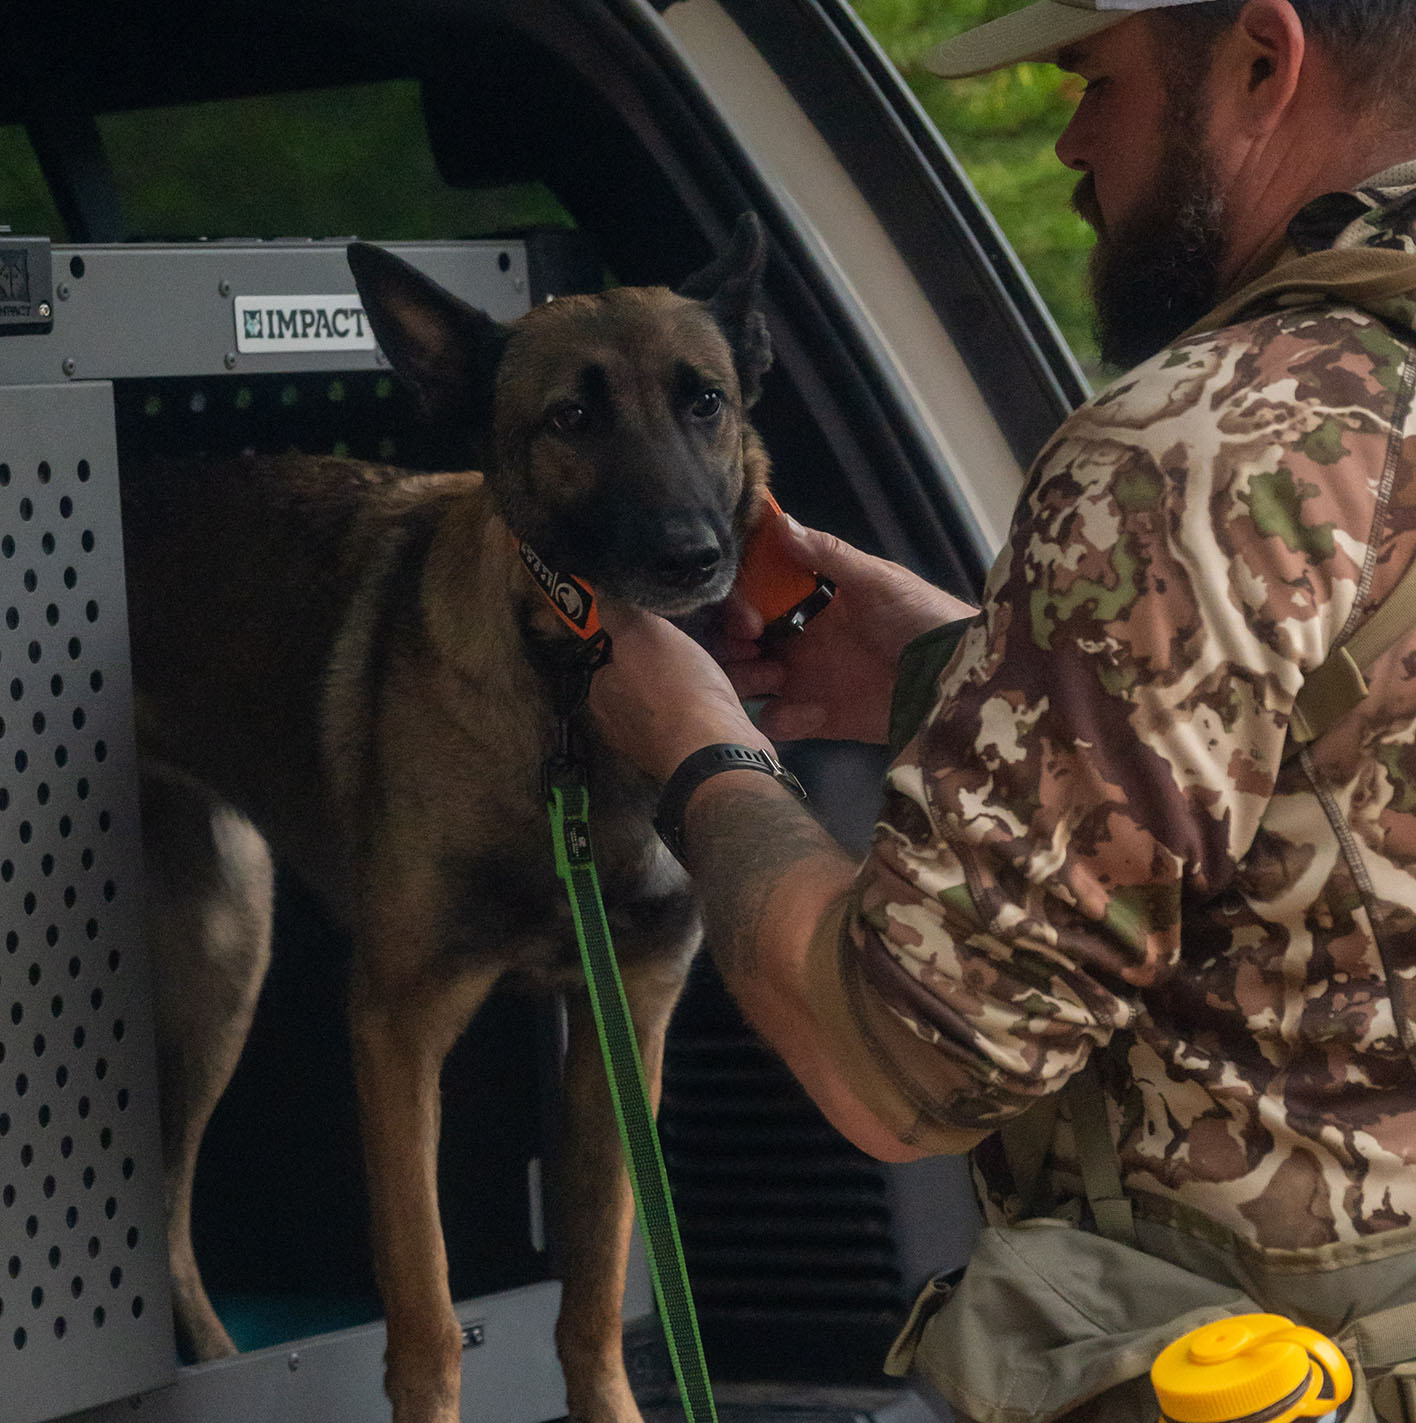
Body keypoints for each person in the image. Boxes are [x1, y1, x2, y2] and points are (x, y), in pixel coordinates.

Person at [591, 0, 1416, 1245]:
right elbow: (1340, 773)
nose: (1072, 146)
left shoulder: (1195, 446)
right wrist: (967, 672)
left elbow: (905, 1069)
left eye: (1097, 83)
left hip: (1258, 1407)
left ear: (1261, 61)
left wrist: (699, 750)